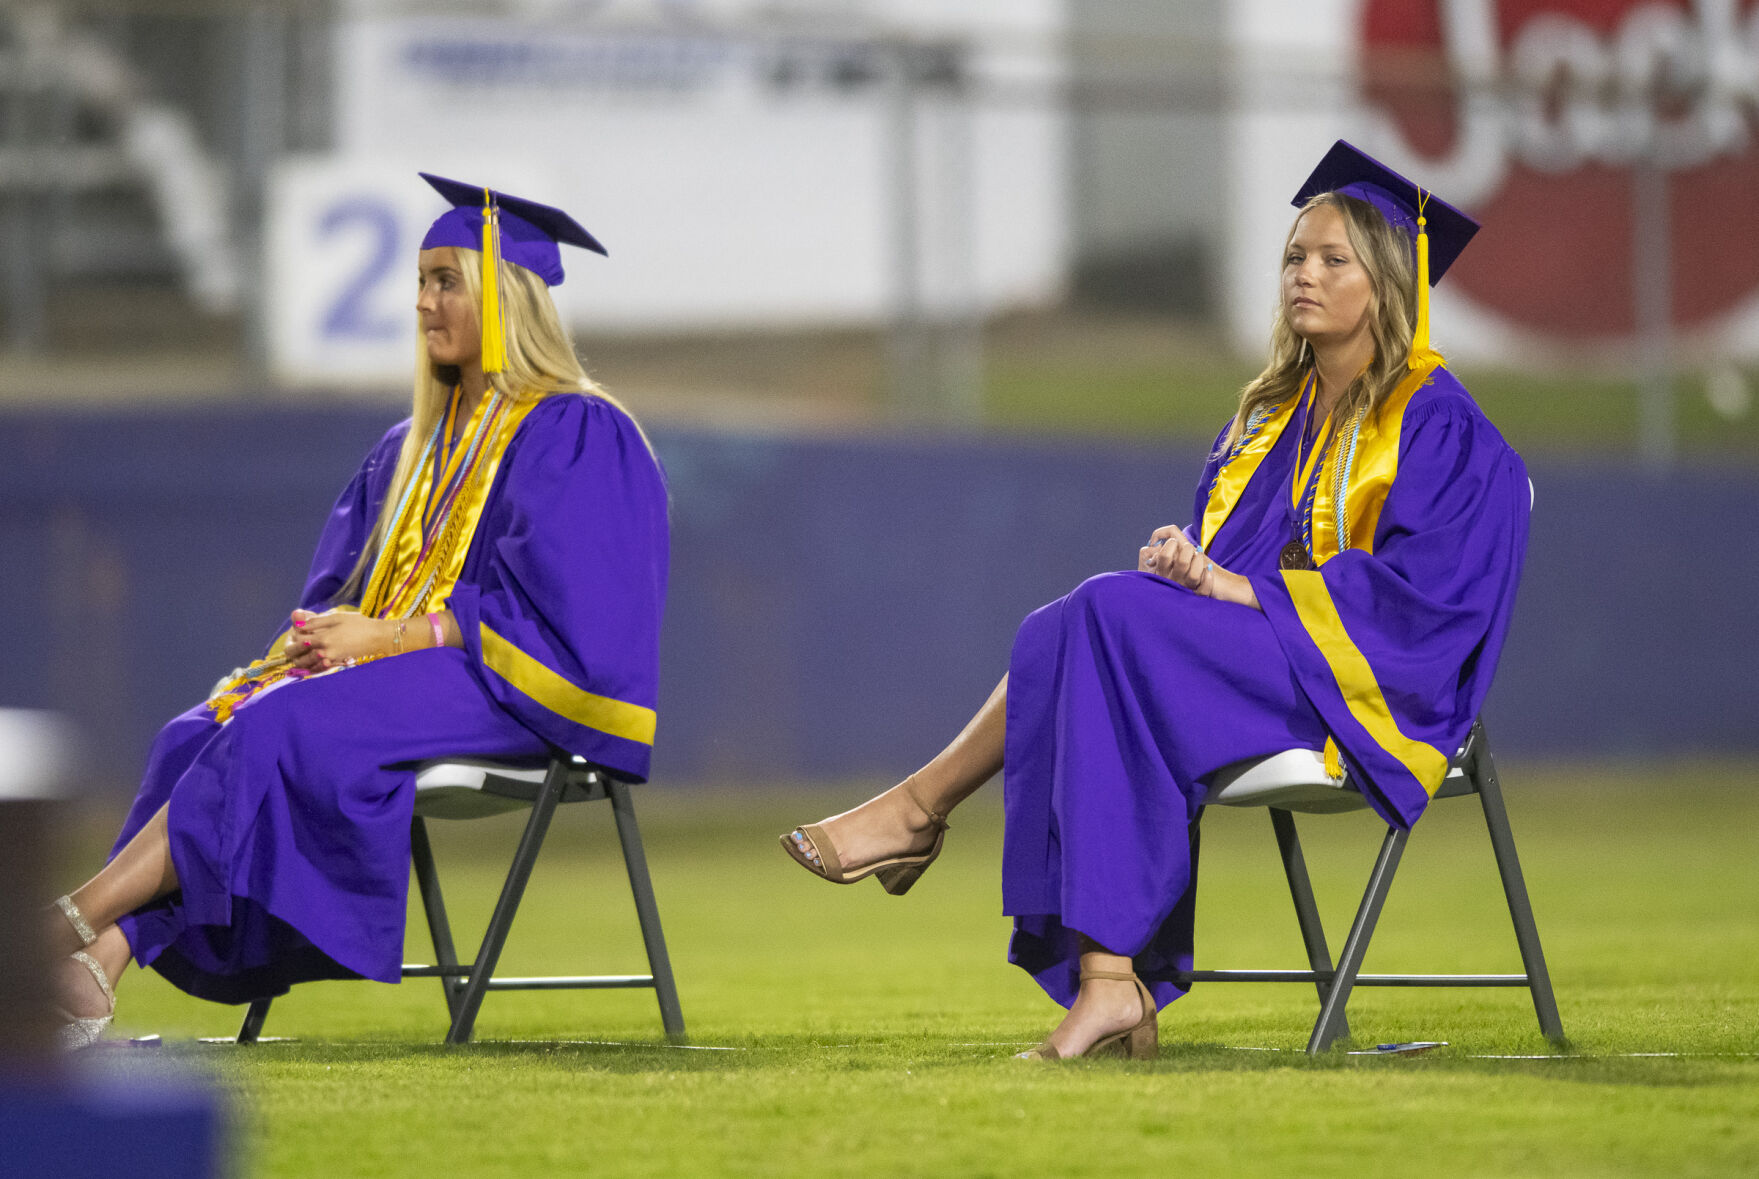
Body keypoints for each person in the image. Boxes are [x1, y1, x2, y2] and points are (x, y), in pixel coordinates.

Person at [781, 140, 1529, 1061]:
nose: (1303, 273)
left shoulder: (1438, 422)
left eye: (1332, 259)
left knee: (1101, 613)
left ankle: (923, 817)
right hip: (1260, 667)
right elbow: (1231, 567)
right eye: (1295, 255)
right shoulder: (1268, 418)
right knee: (1059, 630)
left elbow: (1428, 604)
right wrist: (1191, 563)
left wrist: (1231, 587)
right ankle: (1104, 981)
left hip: (1364, 684)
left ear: (1383, 282)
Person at [45, 175, 669, 1048]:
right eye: (419, 283)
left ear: (506, 295)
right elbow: (342, 592)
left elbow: (580, 619)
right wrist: (319, 641)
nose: (422, 303)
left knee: (278, 731)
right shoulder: (409, 447)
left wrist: (392, 637)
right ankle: (91, 967)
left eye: (445, 281)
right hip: (397, 684)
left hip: (514, 691)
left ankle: (65, 920)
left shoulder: (577, 431)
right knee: (201, 728)